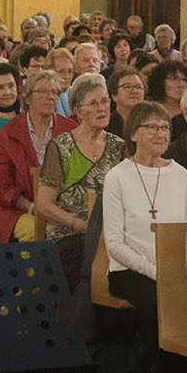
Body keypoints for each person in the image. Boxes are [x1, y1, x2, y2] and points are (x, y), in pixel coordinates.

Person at [100, 100, 187, 362]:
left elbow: (186, 232)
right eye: (152, 127)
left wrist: (174, 271)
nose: (161, 133)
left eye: (165, 127)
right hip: (129, 271)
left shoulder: (181, 174)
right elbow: (115, 244)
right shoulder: (118, 176)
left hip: (173, 269)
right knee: (157, 304)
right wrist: (156, 272)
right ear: (133, 133)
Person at [34, 73, 126, 290]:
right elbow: (44, 204)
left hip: (108, 232)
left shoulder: (119, 146)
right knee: (83, 251)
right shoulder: (61, 146)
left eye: (104, 102)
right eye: (93, 103)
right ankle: (80, 314)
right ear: (77, 111)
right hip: (70, 233)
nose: (102, 108)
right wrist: (81, 225)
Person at [0, 70, 75, 244]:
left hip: (60, 208)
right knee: (39, 231)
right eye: (42, 91)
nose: (50, 97)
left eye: (54, 92)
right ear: (27, 97)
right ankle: (33, 272)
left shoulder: (69, 129)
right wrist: (32, 207)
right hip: (16, 209)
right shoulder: (8, 133)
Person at [106, 65, 145, 137]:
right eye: (127, 86)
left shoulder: (151, 122)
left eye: (139, 87)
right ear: (114, 95)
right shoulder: (105, 125)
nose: (135, 91)